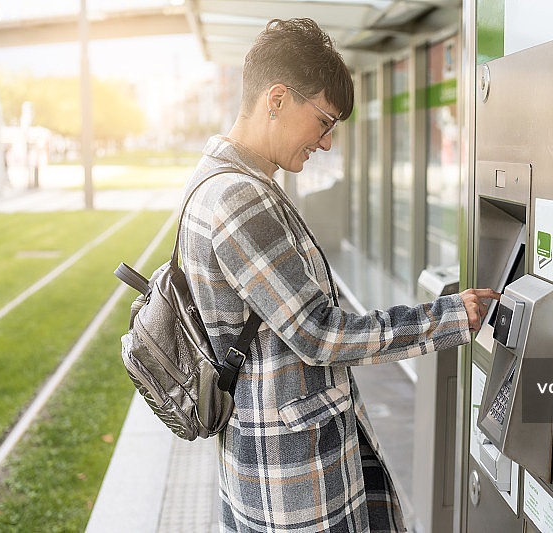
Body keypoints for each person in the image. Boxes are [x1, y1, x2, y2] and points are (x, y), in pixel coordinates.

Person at [178, 18, 500, 533]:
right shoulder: (239, 199)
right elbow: (320, 334)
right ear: (276, 99)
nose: (326, 143)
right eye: (324, 121)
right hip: (293, 483)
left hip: (265, 464)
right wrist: (447, 318)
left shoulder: (212, 180)